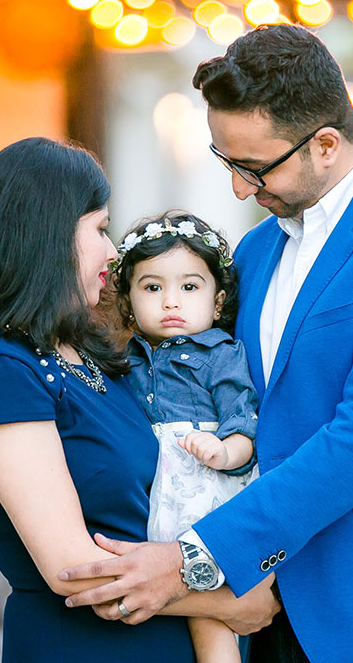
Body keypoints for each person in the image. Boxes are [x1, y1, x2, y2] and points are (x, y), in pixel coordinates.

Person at [59, 25, 353, 663]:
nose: (237, 189)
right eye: (226, 163)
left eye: (253, 167)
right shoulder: (256, 250)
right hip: (272, 606)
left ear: (327, 144)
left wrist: (191, 562)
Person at [0, 138, 278, 662]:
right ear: (46, 235)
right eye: (100, 228)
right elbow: (72, 567)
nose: (113, 252)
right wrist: (223, 600)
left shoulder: (93, 355)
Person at [113, 211, 259, 662]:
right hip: (152, 491)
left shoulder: (221, 354)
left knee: (206, 612)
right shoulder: (125, 360)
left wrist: (222, 452)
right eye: (152, 287)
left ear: (217, 301)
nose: (170, 302)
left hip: (201, 484)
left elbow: (244, 422)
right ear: (129, 299)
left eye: (189, 287)